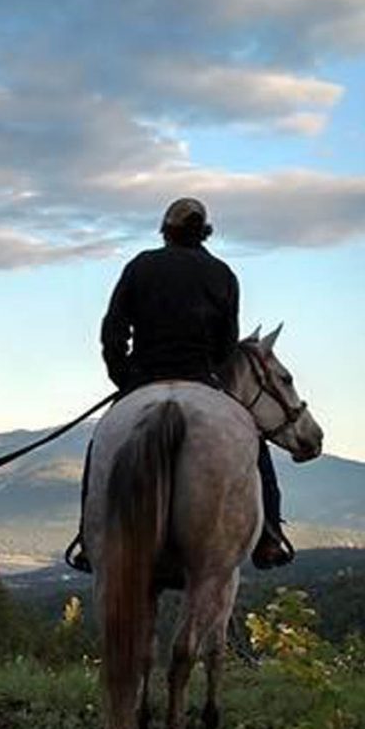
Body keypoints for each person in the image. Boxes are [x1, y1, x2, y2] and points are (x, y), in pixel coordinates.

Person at [66, 197, 294, 573]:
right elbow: (226, 344)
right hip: (202, 378)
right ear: (203, 231)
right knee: (256, 448)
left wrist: (124, 378)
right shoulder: (222, 274)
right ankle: (269, 535)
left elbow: (113, 332)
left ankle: (87, 540)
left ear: (166, 231)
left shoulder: (140, 267)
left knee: (99, 446)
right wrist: (210, 375)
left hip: (144, 379)